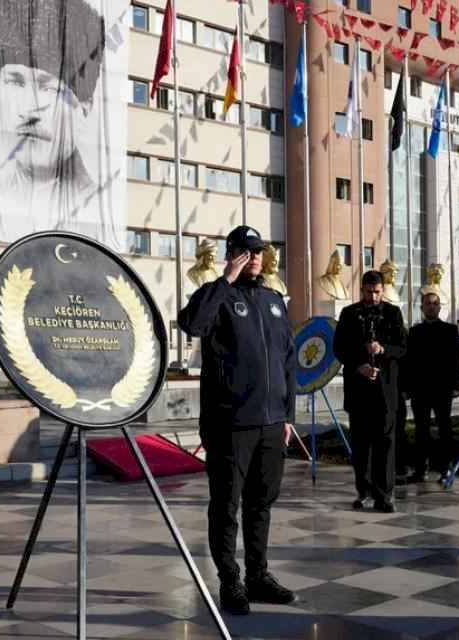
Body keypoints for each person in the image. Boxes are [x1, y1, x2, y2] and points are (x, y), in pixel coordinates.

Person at [177, 224, 297, 616]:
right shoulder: (218, 297)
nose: (255, 257)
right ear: (231, 254)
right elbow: (192, 324)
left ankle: (258, 576)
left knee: (261, 503)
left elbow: (288, 360)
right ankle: (231, 581)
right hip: (230, 423)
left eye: (258, 251)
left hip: (271, 424)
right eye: (246, 251)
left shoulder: (273, 300)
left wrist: (287, 415)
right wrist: (225, 280)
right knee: (226, 506)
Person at [0, 0, 116, 244]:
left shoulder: (96, 205)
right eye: (15, 82)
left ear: (84, 105)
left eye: (49, 88)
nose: (30, 109)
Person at [335, 270, 407, 512]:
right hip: (358, 390)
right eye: (369, 292)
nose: (373, 297)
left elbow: (402, 348)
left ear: (383, 290)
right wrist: (359, 365)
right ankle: (363, 491)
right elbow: (339, 348)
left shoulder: (393, 313)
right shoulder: (349, 314)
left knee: (385, 443)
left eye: (377, 292)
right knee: (361, 444)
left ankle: (384, 495)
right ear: (362, 290)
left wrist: (383, 349)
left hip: (385, 390)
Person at [404, 292, 459, 483]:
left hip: (442, 389)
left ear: (439, 307)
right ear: (422, 307)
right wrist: (406, 388)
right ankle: (420, 469)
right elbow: (408, 362)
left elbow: (457, 360)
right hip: (420, 390)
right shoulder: (414, 332)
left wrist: (457, 385)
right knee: (421, 430)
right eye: (428, 303)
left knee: (444, 429)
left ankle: (446, 468)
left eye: (435, 303)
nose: (431, 306)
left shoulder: (450, 330)